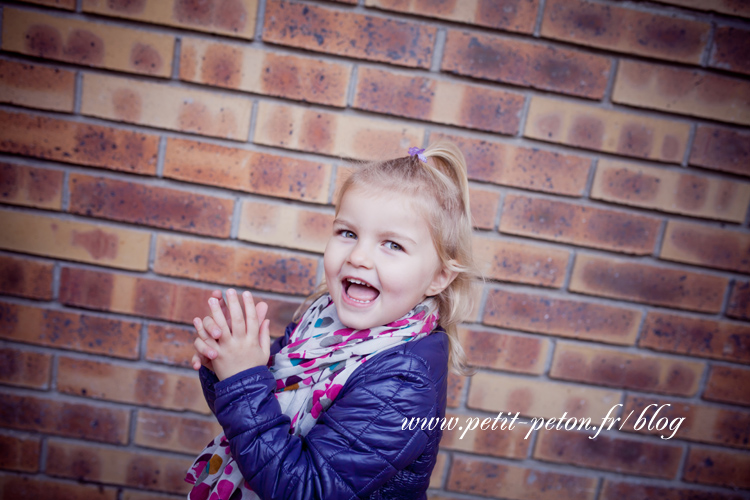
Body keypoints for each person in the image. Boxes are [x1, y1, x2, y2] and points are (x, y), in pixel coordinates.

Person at [185, 142, 478, 500]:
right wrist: (227, 366)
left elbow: (306, 489)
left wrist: (243, 381)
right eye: (348, 233)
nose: (358, 256)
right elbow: (249, 417)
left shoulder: (404, 384)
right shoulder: (322, 323)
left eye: (393, 245)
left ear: (439, 278)